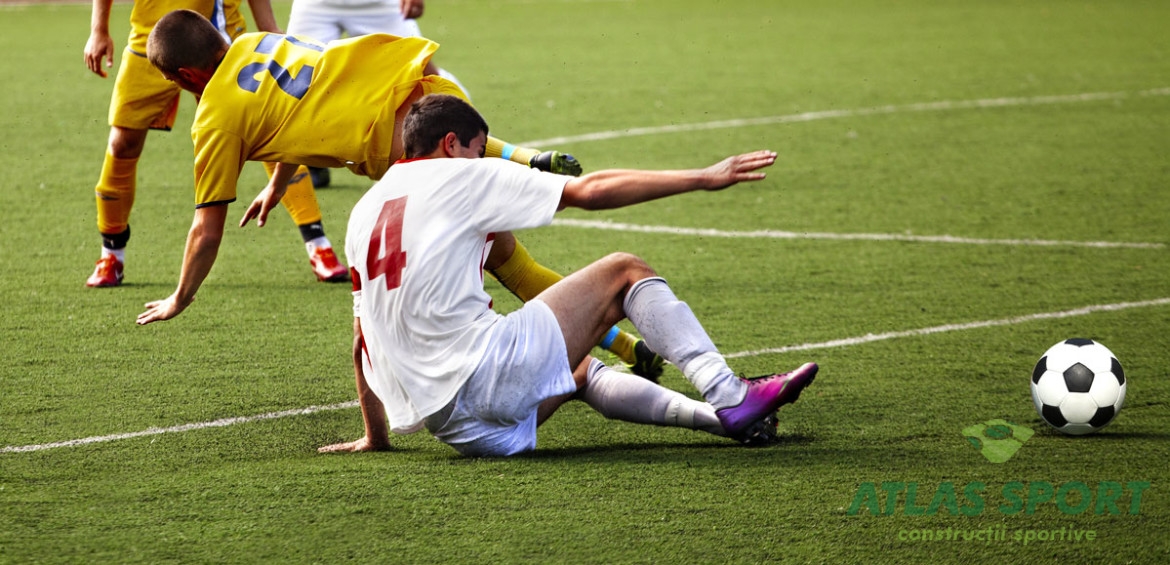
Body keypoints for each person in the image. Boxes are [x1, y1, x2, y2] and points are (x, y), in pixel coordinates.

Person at [135, 9, 661, 383]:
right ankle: (520, 159)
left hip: (411, 156)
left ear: (184, 76)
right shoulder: (254, 44)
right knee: (510, 252)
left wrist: (181, 296)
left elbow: (207, 227)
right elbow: (299, 110)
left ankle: (611, 343)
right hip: (424, 88)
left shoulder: (214, 118)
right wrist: (277, 183)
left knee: (509, 265)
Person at [319, 94, 818, 456]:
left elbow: (363, 336)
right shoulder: (461, 173)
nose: (481, 159)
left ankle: (725, 423)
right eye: (477, 149)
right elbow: (589, 189)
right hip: (485, 378)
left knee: (575, 370)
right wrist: (703, 178)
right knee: (624, 271)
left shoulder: (365, 210)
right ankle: (732, 395)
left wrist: (375, 437)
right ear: (451, 144)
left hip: (453, 425)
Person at [83, 0, 348, 288]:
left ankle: (318, 242)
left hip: (220, 36)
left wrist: (269, 26)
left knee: (266, 134)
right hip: (151, 37)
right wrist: (99, 29)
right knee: (123, 144)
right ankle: (111, 254)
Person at [284, 0, 468, 188]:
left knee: (422, 71)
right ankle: (311, 161)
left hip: (379, 3)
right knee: (296, 80)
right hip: (316, 4)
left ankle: (470, 140)